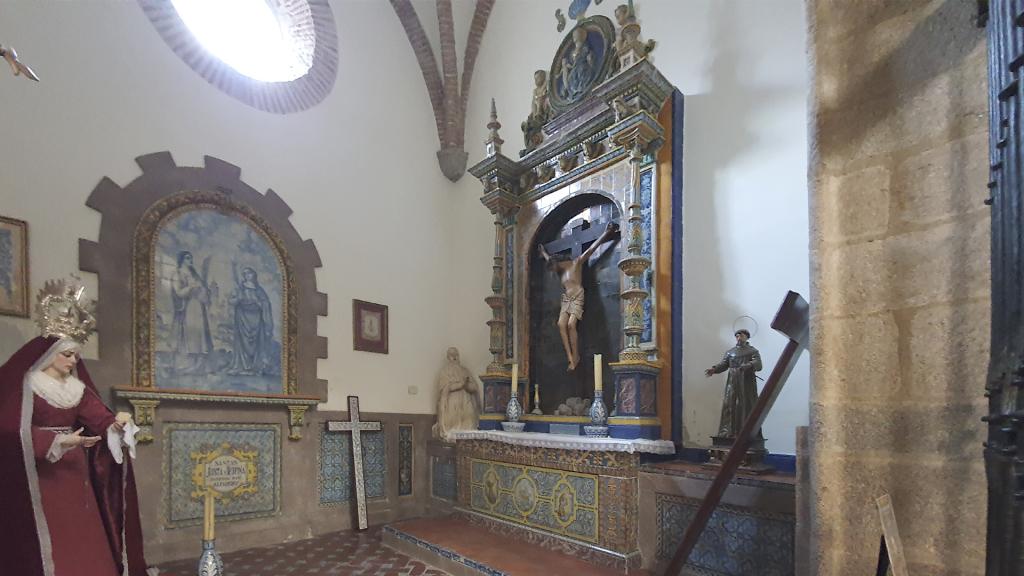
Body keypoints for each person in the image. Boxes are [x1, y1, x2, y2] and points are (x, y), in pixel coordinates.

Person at [0, 280, 150, 575]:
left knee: (82, 530)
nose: (72, 361)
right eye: (66, 354)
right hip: (42, 474)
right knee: (53, 533)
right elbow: (9, 429)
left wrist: (118, 426)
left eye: (75, 356)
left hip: (75, 473)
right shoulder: (28, 385)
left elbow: (99, 418)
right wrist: (54, 442)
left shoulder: (76, 389)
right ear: (49, 353)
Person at [538, 221, 618, 371]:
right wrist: (543, 252)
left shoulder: (577, 263)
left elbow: (592, 249)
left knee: (570, 325)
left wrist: (607, 233)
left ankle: (576, 356)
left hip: (577, 295)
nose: (554, 272)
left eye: (553, 268)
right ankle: (571, 358)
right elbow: (550, 260)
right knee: (560, 325)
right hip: (566, 299)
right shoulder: (560, 271)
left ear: (557, 263)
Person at [704, 329, 763, 439]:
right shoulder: (730, 352)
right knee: (730, 403)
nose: (739, 338)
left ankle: (746, 431)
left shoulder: (752, 351)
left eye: (742, 335)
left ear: (747, 337)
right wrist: (714, 369)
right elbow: (724, 364)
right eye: (737, 336)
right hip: (732, 381)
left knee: (746, 404)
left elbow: (758, 364)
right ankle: (728, 432)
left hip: (746, 382)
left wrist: (748, 365)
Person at [170, 250, 214, 374]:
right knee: (189, 333)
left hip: (198, 307)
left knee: (200, 334)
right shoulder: (177, 274)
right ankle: (187, 363)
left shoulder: (194, 275)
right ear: (182, 260)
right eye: (188, 258)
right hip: (188, 307)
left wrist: (204, 291)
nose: (190, 260)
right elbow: (178, 292)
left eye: (191, 258)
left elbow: (203, 291)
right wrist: (191, 287)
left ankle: (199, 362)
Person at [228, 266, 275, 376]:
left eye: (250, 273)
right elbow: (231, 300)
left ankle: (255, 367)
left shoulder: (259, 289)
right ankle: (242, 366)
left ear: (254, 275)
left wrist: (258, 302)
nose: (248, 275)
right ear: (244, 276)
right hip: (242, 319)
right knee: (242, 342)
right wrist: (238, 299)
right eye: (246, 274)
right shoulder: (240, 288)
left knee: (257, 342)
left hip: (256, 319)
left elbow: (266, 303)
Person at [432, 347, 481, 441]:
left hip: (466, 404)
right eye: (451, 355)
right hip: (451, 406)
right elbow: (444, 389)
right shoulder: (444, 371)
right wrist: (460, 385)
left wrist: (466, 386)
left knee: (469, 420)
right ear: (448, 357)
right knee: (452, 427)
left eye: (456, 355)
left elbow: (474, 387)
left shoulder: (465, 371)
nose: (454, 357)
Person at [559, 26, 596, 102]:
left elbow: (589, 57)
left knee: (581, 70)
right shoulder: (572, 51)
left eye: (577, 34)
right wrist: (566, 65)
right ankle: (570, 90)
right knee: (571, 75)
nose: (575, 37)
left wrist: (589, 60)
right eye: (574, 35)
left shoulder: (585, 47)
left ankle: (579, 88)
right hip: (574, 69)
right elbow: (572, 63)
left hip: (583, 66)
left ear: (582, 36)